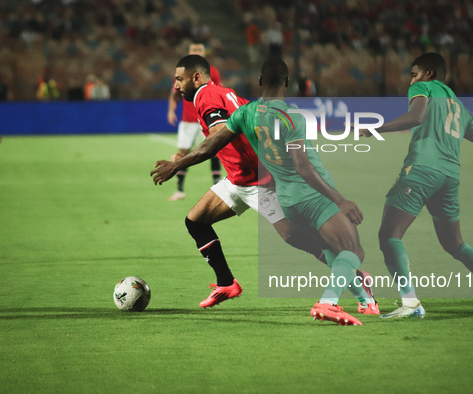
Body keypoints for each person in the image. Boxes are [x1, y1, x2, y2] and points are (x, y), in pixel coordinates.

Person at [152, 58, 379, 325]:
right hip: (237, 178)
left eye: (179, 79)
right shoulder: (227, 94)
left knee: (294, 235)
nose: (175, 85)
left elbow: (217, 137)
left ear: (197, 78)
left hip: (258, 180)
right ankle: (226, 283)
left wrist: (177, 164)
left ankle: (354, 278)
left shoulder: (206, 97)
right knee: (195, 220)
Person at [360, 53, 473, 318]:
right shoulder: (459, 108)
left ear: (429, 73)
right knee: (455, 244)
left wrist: (374, 129)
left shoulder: (423, 88)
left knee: (389, 236)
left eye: (414, 73)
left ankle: (411, 303)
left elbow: (416, 117)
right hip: (449, 178)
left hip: (421, 170)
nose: (411, 80)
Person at [166, 43, 222, 201]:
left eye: (200, 50)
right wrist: (171, 111)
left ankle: (218, 189)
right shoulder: (182, 71)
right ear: (189, 52)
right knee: (183, 153)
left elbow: (220, 92)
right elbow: (174, 94)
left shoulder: (213, 71)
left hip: (207, 118)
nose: (197, 52)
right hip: (188, 120)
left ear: (204, 52)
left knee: (215, 151)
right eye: (194, 50)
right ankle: (179, 190)